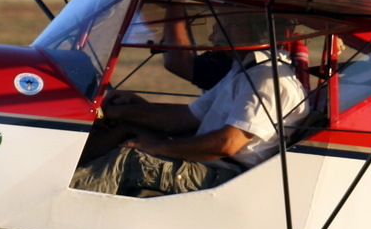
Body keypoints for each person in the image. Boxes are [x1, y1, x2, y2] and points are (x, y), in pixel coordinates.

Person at [69, 13, 309, 197]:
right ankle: (59, 172)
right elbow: (186, 118)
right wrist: (124, 111)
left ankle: (57, 191)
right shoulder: (245, 70)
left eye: (220, 27)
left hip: (224, 175)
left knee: (130, 157)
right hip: (210, 165)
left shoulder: (267, 79)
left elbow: (227, 143)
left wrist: (160, 147)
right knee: (124, 130)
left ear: (245, 30)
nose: (213, 36)